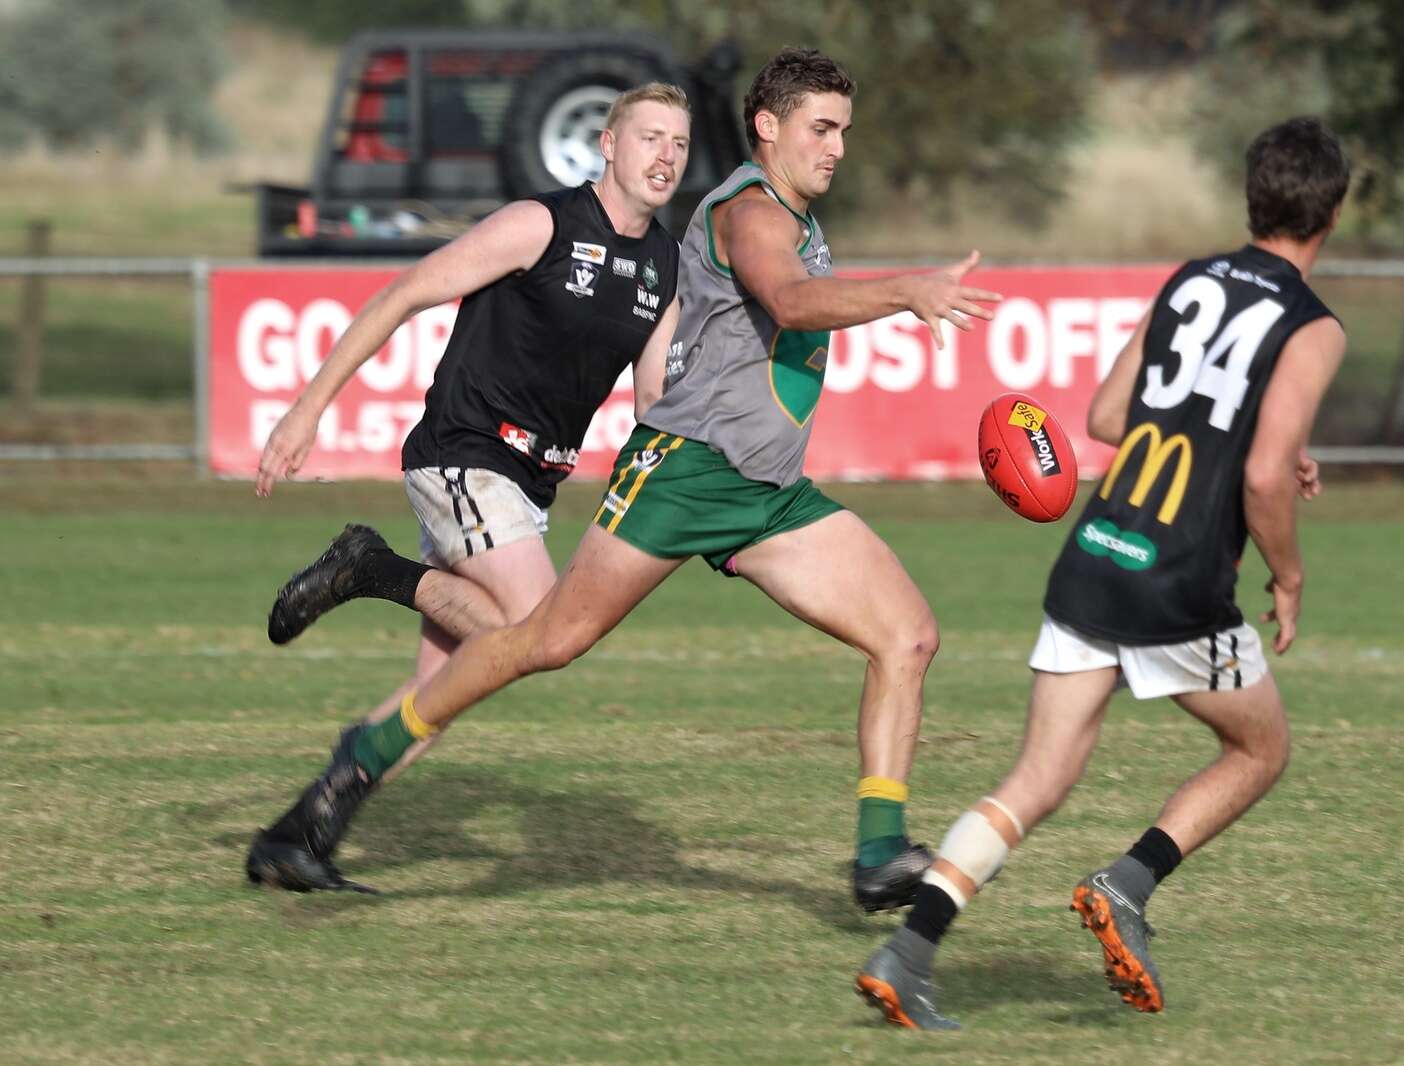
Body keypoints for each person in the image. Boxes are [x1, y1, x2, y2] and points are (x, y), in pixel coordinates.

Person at [246, 46, 1003, 910]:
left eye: (844, 132)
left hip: (759, 492)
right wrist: (908, 289)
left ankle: (878, 856)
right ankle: (364, 710)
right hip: (660, 475)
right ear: (767, 128)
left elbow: (663, 378)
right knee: (540, 640)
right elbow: (790, 302)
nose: (836, 147)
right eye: (821, 129)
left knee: (907, 635)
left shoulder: (668, 259)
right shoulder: (749, 211)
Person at [856, 115, 1351, 1030]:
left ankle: (909, 952)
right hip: (1179, 581)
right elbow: (1256, 473)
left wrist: (1262, 453)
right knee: (1261, 748)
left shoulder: (1191, 279)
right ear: (1332, 215)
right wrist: (1287, 573)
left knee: (1036, 778)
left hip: (1098, 553)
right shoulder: (1312, 327)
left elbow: (1112, 413)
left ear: (1252, 195)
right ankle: (1126, 884)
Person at [246, 82, 693, 892]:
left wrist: (686, 487)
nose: (665, 156)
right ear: (608, 144)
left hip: (526, 488)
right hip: (462, 455)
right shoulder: (541, 224)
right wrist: (305, 411)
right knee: (535, 627)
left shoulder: (665, 264)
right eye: (650, 137)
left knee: (444, 691)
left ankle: (297, 838)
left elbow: (654, 405)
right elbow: (404, 293)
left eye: (680, 144)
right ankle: (370, 568)